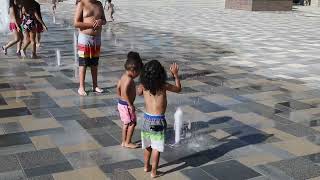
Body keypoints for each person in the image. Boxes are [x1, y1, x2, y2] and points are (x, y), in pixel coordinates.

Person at [138, 60, 181, 178]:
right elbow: (178, 89)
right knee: (156, 148)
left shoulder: (144, 86)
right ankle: (154, 172)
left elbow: (138, 93)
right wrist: (176, 75)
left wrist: (141, 84)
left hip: (146, 120)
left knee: (148, 146)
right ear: (161, 74)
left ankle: (146, 166)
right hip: (158, 122)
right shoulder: (163, 86)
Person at [74, 0, 106, 96]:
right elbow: (76, 23)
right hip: (84, 37)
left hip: (97, 37)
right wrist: (91, 25)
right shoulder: (82, 4)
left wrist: (101, 21)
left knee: (94, 63)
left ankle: (95, 85)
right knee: (83, 62)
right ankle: (81, 87)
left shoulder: (99, 4)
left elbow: (104, 20)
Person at [117, 51, 143, 149]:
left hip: (122, 103)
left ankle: (124, 141)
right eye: (138, 73)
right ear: (133, 71)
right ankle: (128, 142)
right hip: (127, 105)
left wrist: (119, 97)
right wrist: (130, 104)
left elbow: (118, 86)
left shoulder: (123, 76)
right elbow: (124, 91)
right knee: (132, 123)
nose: (137, 75)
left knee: (126, 123)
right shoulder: (129, 80)